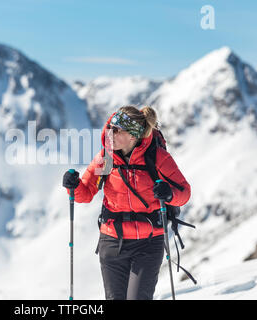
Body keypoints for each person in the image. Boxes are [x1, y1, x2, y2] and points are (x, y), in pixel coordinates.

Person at [62, 105, 191, 300]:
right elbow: (85, 193)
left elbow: (184, 192)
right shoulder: (106, 159)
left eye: (116, 130)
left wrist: (169, 193)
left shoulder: (157, 158)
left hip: (148, 243)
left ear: (133, 136)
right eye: (110, 128)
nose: (109, 133)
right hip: (112, 242)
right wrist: (73, 186)